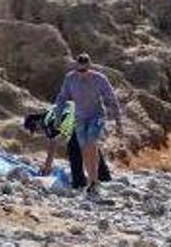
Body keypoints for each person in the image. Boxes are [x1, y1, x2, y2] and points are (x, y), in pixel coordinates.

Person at [52, 53, 123, 195]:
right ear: (76, 67)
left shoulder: (100, 79)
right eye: (79, 71)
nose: (82, 74)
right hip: (79, 117)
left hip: (96, 116)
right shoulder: (70, 79)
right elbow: (62, 98)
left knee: (91, 143)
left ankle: (94, 180)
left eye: (84, 71)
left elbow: (111, 98)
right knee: (84, 148)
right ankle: (92, 181)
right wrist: (58, 117)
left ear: (89, 67)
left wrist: (118, 120)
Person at [24, 106, 112, 189]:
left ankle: (79, 183)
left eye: (34, 129)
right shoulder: (52, 111)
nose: (38, 132)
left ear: (35, 122)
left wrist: (47, 168)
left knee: (73, 150)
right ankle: (105, 177)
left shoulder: (47, 121)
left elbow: (52, 146)